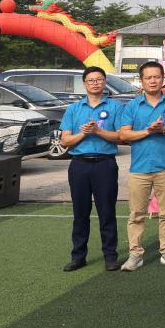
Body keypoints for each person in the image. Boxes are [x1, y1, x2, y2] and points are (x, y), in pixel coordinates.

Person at [117, 61, 165, 271]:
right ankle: (135, 254)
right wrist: (147, 131)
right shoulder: (132, 106)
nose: (153, 81)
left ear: (163, 79)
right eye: (148, 77)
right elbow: (124, 134)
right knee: (136, 214)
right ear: (142, 81)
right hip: (139, 168)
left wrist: (164, 129)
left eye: (157, 77)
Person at [59, 66, 124, 272]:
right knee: (80, 213)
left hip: (105, 164)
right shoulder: (73, 109)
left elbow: (121, 136)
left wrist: (98, 131)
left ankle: (110, 256)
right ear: (85, 84)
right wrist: (85, 134)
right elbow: (65, 141)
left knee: (107, 212)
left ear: (105, 82)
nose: (95, 83)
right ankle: (78, 256)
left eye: (99, 80)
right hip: (79, 165)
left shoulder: (115, 107)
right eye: (91, 80)